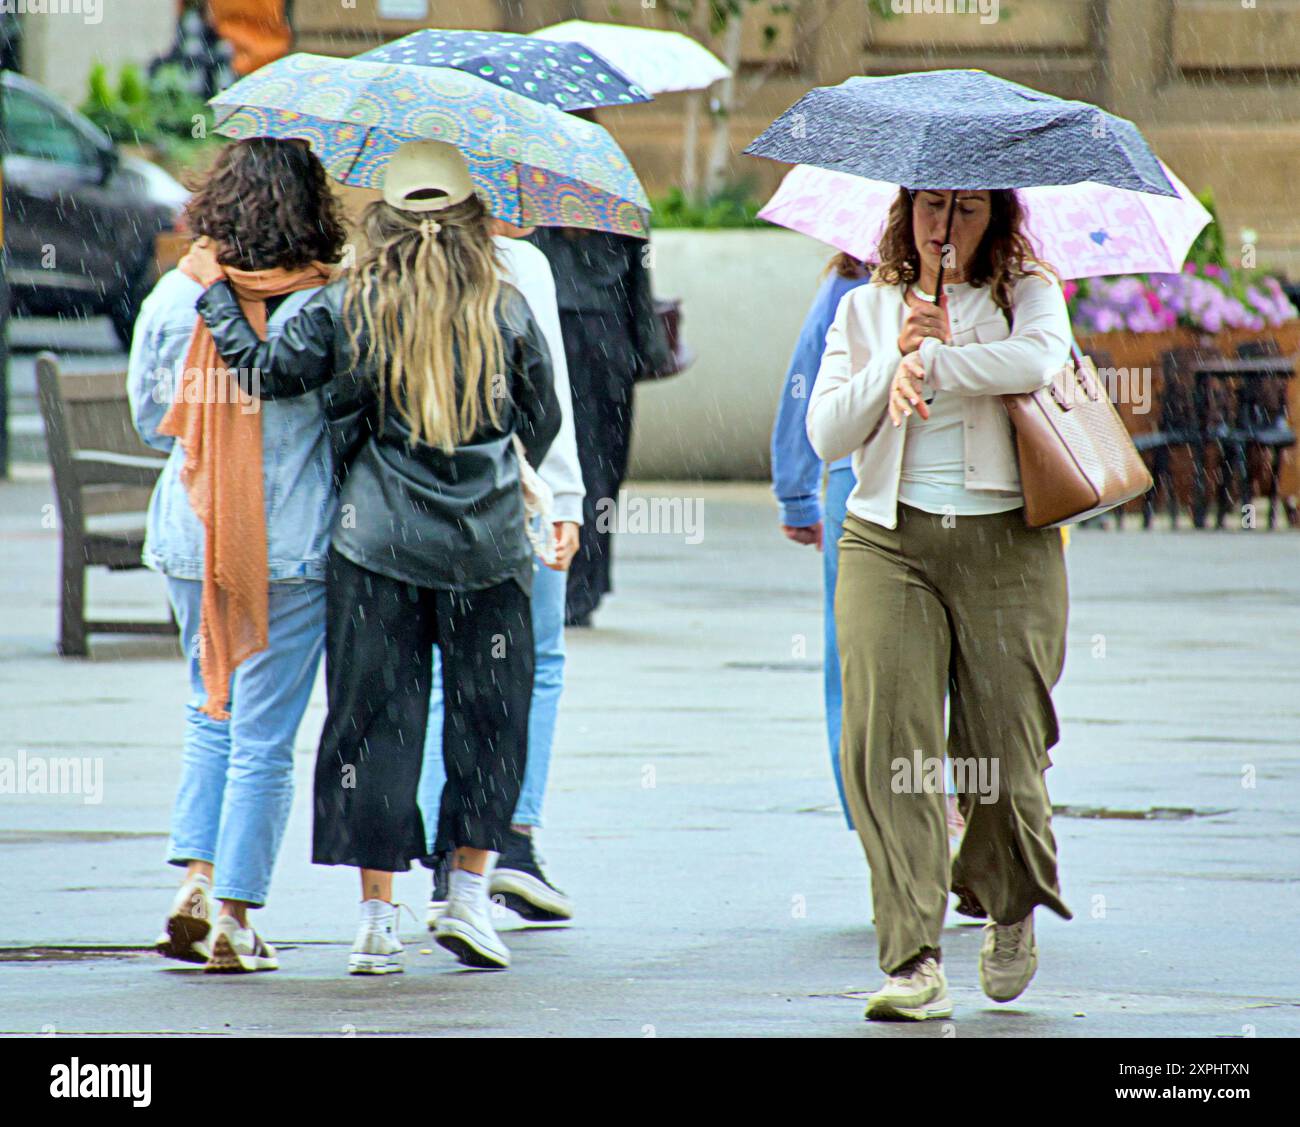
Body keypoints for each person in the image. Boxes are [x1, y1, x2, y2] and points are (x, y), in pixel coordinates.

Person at [184, 140, 561, 974]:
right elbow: (543, 421)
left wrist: (215, 293)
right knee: (489, 724)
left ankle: (377, 922)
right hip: (490, 548)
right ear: (474, 224)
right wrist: (484, 455)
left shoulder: (347, 305)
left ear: (380, 222)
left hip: (375, 544)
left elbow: (264, 372)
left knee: (374, 729)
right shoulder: (505, 306)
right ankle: (464, 894)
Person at [807, 187, 1074, 1021]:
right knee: (888, 742)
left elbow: (1037, 361)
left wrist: (938, 362)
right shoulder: (866, 306)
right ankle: (912, 956)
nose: (942, 225)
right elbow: (826, 433)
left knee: (1004, 747)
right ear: (904, 212)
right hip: (888, 541)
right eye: (929, 206)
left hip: (1007, 543)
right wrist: (894, 360)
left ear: (994, 218)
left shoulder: (1028, 290)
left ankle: (1009, 901)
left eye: (964, 209)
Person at [128, 137, 345, 973]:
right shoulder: (324, 303)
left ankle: (193, 877)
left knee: (207, 706)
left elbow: (155, 421)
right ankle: (235, 916)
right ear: (309, 211)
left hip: (191, 531)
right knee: (264, 736)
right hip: (289, 545)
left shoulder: (175, 296)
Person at [420, 219, 583, 927]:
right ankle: (509, 837)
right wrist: (568, 497)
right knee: (537, 659)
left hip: (415, 498)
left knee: (436, 669)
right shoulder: (521, 264)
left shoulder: (395, 263)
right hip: (515, 491)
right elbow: (551, 397)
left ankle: (441, 850)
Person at [527, 225, 671, 627]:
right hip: (607, 345)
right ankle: (587, 583)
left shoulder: (534, 206)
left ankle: (553, 571)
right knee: (602, 468)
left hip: (548, 340)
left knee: (549, 459)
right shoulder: (620, 212)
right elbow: (639, 291)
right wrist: (649, 351)